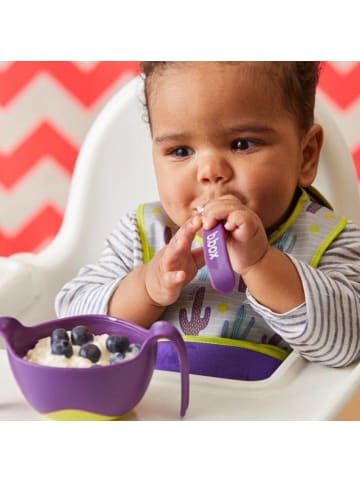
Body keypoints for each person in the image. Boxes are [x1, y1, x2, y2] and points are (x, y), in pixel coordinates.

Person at [55, 62, 360, 379]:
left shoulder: (331, 240)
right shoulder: (144, 234)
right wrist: (147, 289)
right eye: (181, 150)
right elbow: (73, 323)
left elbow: (349, 341)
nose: (209, 171)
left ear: (306, 155)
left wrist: (261, 264)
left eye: (242, 144)